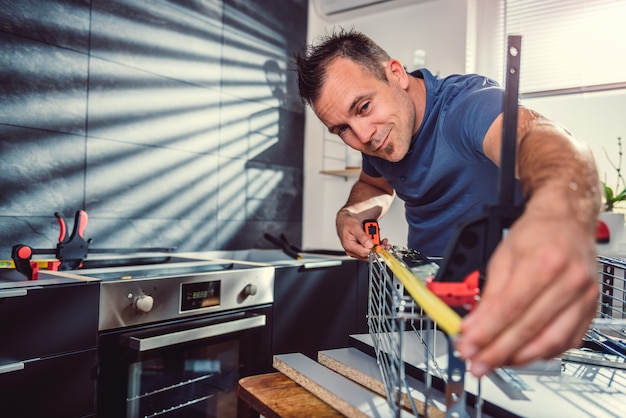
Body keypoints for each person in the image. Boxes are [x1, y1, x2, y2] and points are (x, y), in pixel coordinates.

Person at [295, 28, 601, 378]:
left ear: (395, 73)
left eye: (364, 107)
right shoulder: (382, 139)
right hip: (433, 308)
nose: (362, 135)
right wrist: (352, 213)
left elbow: (552, 149)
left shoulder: (469, 105)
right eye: (342, 129)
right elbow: (373, 184)